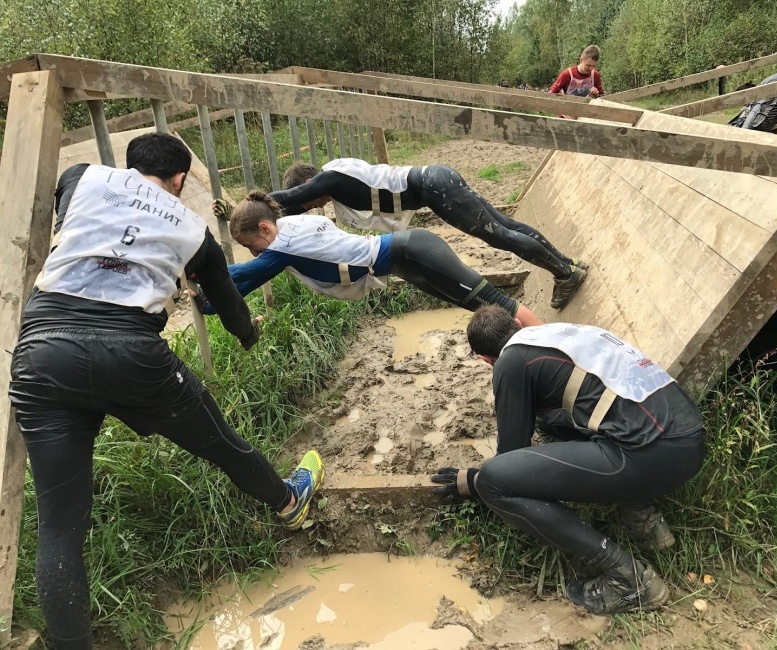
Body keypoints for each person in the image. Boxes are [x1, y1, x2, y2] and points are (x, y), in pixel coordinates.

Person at [8, 133, 325, 650]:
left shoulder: (80, 177)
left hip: (43, 352)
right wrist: (247, 335)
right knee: (221, 441)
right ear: (179, 180)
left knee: (60, 529)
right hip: (131, 353)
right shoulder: (193, 229)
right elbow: (225, 299)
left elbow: (67, 213)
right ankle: (289, 502)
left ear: (129, 163)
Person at [431, 305, 705, 615]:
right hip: (690, 441)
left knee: (496, 481)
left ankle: (630, 580)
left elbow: (511, 456)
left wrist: (474, 481)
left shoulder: (509, 361)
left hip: (648, 455)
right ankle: (645, 524)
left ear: (484, 359)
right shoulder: (563, 334)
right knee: (561, 420)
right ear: (518, 324)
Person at [269, 158, 588, 310]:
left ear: (308, 186)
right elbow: (292, 212)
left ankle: (564, 273)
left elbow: (285, 200)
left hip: (434, 188)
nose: (313, 206)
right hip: (437, 180)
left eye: (309, 201)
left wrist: (250, 206)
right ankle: (567, 264)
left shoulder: (331, 179)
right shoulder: (338, 175)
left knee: (500, 235)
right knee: (505, 226)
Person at [197, 191, 544, 327]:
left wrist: (205, 298)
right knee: (479, 307)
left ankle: (553, 341)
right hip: (408, 261)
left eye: (253, 246)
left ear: (264, 230)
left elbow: (242, 278)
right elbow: (246, 268)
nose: (255, 254)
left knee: (495, 302)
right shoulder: (288, 225)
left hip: (414, 252)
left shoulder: (280, 246)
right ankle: (535, 347)